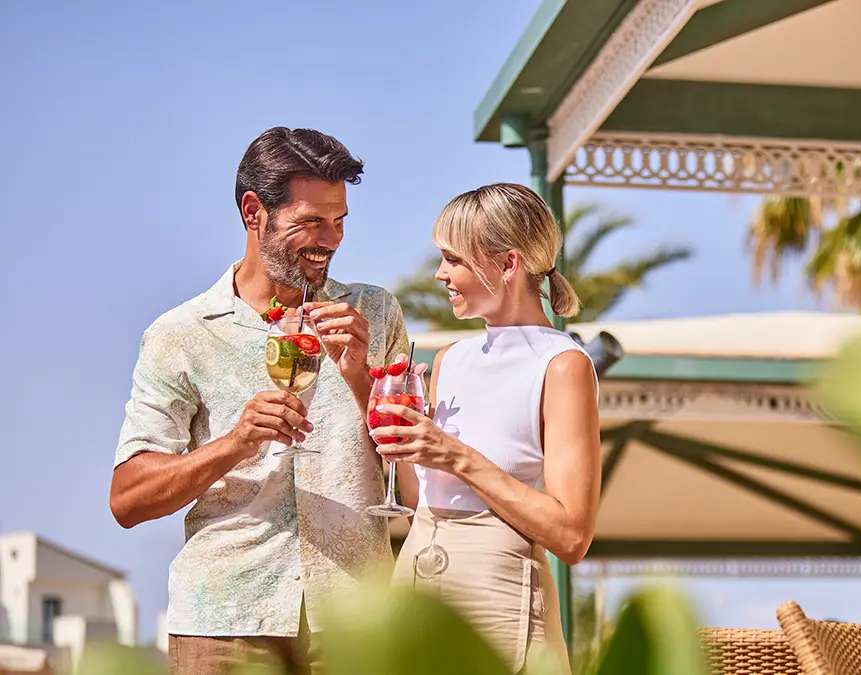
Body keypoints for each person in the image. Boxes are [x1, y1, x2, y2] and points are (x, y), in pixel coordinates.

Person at [109, 127, 409, 675]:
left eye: (339, 220)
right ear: (254, 213)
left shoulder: (376, 314)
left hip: (355, 621)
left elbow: (412, 474)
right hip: (223, 622)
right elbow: (127, 499)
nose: (332, 238)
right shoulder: (180, 334)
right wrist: (234, 443)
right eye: (311, 222)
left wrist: (361, 377)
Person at [370, 183, 602, 674]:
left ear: (508, 264)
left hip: (499, 594)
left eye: (452, 260)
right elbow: (419, 500)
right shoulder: (449, 360)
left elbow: (571, 534)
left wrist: (456, 455)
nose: (439, 274)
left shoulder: (562, 366)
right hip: (417, 577)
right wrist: (395, 437)